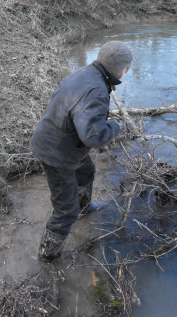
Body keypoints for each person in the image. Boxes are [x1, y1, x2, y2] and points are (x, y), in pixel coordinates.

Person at [30, 41, 133, 262]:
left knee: (86, 170)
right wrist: (114, 128)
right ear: (120, 69)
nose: (127, 72)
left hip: (56, 137)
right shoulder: (96, 89)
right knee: (66, 211)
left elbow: (81, 118)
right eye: (127, 68)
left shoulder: (86, 73)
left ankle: (85, 208)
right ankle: (47, 257)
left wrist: (101, 128)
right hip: (56, 153)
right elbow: (93, 137)